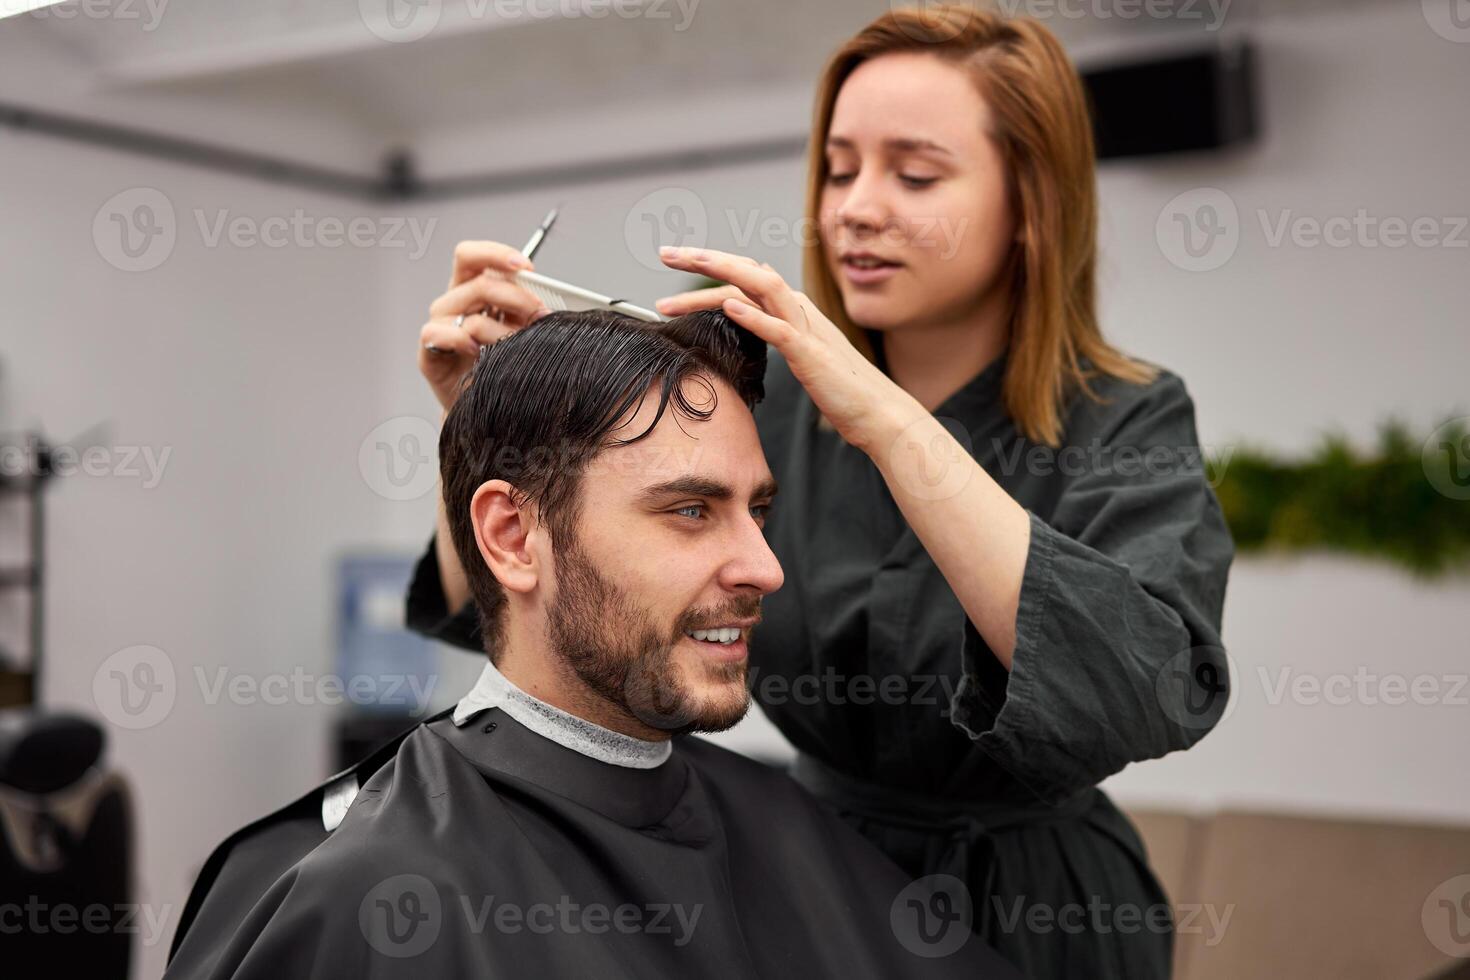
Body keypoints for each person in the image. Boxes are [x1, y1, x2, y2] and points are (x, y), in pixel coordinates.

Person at [406, 6, 1236, 979]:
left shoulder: (1128, 418)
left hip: (1043, 922)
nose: (855, 207)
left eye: (915, 173)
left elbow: (1143, 688)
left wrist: (886, 421)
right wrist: (478, 420)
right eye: (839, 169)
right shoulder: (767, 400)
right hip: (812, 880)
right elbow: (523, 591)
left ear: (1032, 204)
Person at [164, 309, 1020, 979]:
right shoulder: (363, 889)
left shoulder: (788, 833)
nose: (765, 567)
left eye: (756, 511)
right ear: (512, 537)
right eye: (690, 510)